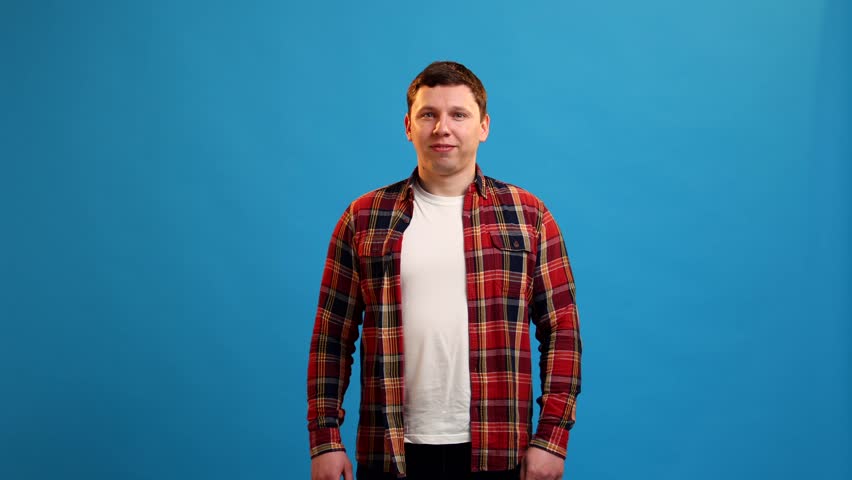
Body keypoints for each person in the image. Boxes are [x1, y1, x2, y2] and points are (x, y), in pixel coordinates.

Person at [307, 61, 581, 480]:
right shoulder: (363, 217)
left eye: (458, 114)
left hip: (498, 450)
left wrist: (551, 439)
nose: (442, 128)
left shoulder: (529, 216)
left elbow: (562, 330)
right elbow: (332, 336)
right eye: (428, 114)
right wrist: (325, 439)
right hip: (390, 451)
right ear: (408, 126)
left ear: (484, 126)